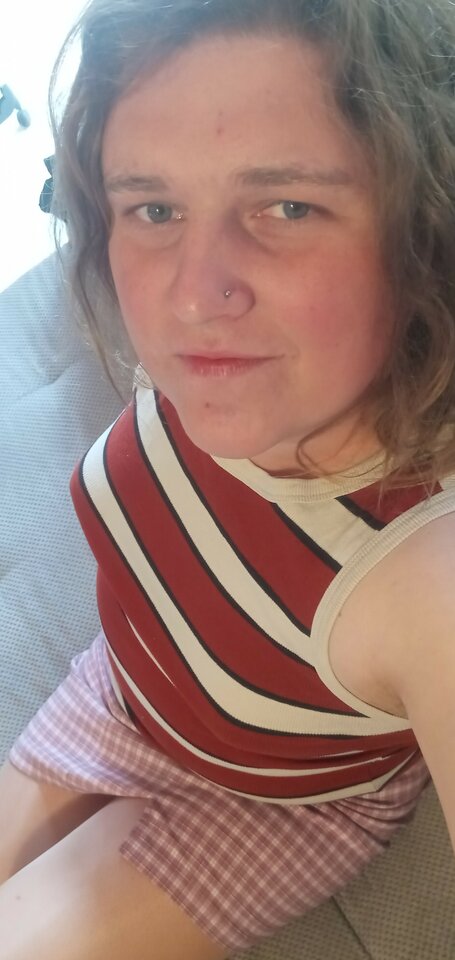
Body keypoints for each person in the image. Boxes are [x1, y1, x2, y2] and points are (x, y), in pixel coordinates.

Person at [1, 0, 455, 956]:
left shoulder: (425, 573)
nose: (192, 296)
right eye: (154, 208)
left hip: (267, 806)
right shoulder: (233, 355)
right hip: (123, 687)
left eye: (286, 207)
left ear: (422, 227)